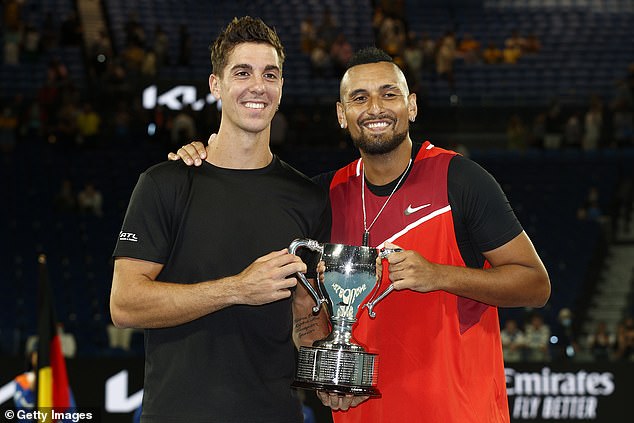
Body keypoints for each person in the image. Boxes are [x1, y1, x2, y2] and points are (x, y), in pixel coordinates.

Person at [171, 47, 550, 422]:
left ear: (411, 105)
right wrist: (324, 365)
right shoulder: (325, 196)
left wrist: (439, 275)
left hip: (457, 412)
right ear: (342, 114)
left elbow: (535, 285)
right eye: (359, 98)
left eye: (389, 94)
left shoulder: (460, 180)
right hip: (359, 414)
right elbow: (303, 299)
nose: (376, 109)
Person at [110, 17, 330, 423]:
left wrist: (329, 372)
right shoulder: (166, 182)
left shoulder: (309, 198)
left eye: (270, 74)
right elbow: (124, 305)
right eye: (242, 73)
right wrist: (236, 289)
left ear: (281, 88)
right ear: (216, 85)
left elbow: (307, 314)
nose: (257, 86)